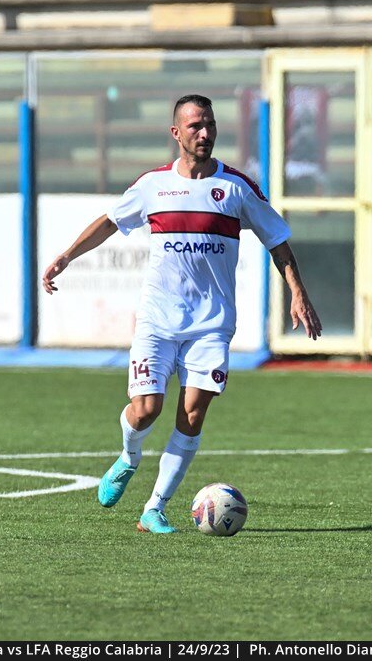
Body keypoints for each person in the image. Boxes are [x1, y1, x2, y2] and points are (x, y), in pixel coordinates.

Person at [42, 94, 321, 534]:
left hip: (211, 324)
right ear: (176, 133)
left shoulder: (236, 187)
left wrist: (297, 292)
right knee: (146, 409)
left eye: (209, 125)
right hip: (158, 321)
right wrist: (67, 256)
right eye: (195, 126)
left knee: (191, 413)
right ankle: (128, 456)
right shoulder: (153, 185)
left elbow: (277, 240)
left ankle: (155, 508)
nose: (205, 133)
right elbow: (111, 221)